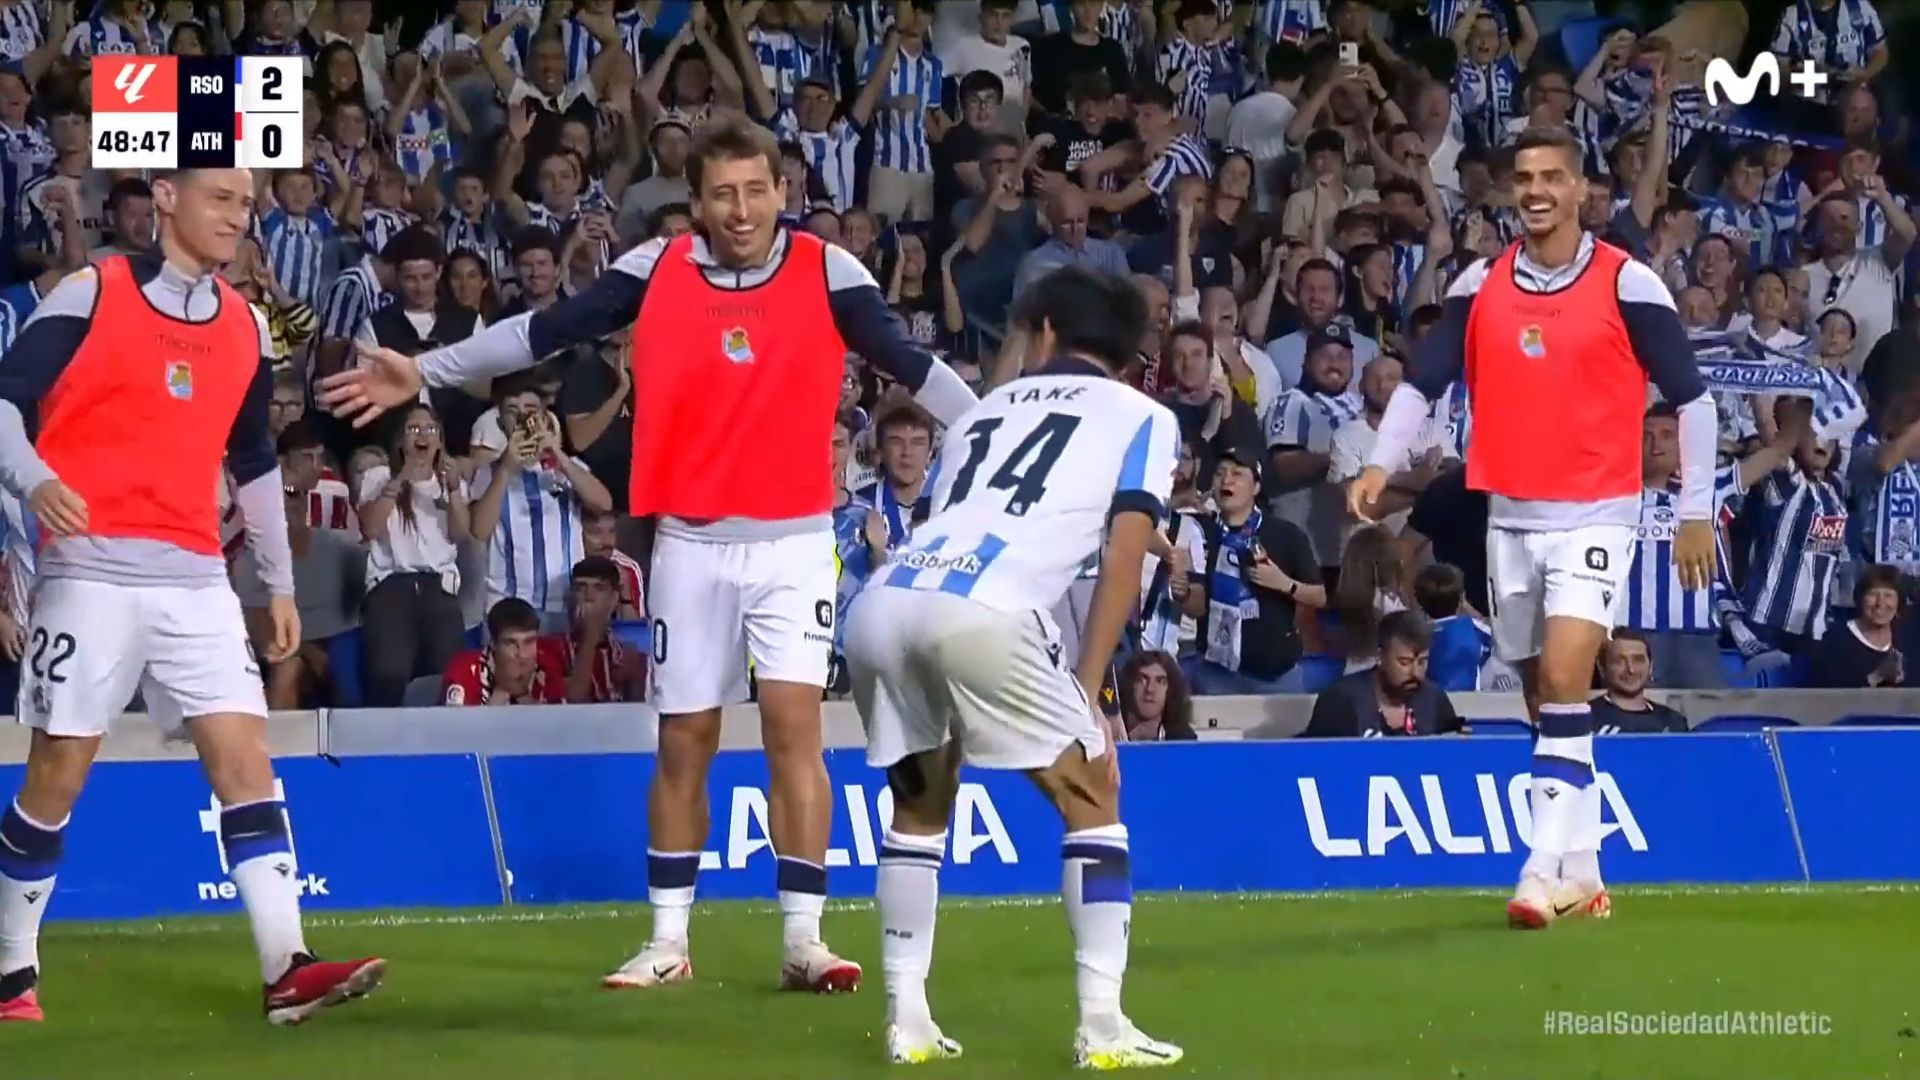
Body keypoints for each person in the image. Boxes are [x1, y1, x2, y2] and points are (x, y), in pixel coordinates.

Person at [320, 114, 977, 993]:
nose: (740, 210)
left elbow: (912, 364)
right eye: (722, 194)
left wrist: (995, 429)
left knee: (794, 731)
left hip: (792, 542)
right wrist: (427, 367)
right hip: (692, 544)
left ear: (783, 191)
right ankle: (668, 941)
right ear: (696, 202)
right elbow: (543, 331)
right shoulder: (658, 267)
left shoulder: (829, 270)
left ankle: (804, 941)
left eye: (756, 191)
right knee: (684, 738)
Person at [0, 169, 381, 1025]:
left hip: (197, 576)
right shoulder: (93, 289)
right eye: (220, 199)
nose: (237, 217)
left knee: (245, 759)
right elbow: (4, 400)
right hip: (90, 569)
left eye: (245, 203)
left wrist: (277, 584)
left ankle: (287, 969)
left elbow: (253, 461)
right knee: (58, 773)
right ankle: (11, 965)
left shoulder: (246, 324)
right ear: (167, 199)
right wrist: (32, 479)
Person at [1348, 127, 1714, 931]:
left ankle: (1536, 872)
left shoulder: (1628, 281)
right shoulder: (1481, 282)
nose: (1537, 190)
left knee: (1564, 675)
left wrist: (1694, 511)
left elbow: (1693, 399)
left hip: (1596, 513)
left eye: (1552, 176)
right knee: (1542, 697)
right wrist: (1378, 463)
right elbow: (1424, 380)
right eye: (1524, 177)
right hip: (1509, 516)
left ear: (1582, 189)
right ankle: (1585, 872)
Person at [843, 265, 1182, 1067]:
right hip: (983, 611)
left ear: (1046, 333)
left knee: (920, 805)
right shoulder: (1144, 415)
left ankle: (907, 1018)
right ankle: (1103, 1025)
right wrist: (1091, 687)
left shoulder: (983, 411)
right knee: (1092, 794)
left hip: (887, 601)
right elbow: (1124, 557)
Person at [1302, 612, 1463, 738]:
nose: (1415, 673)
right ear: (1381, 656)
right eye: (1404, 662)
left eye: (1422, 662)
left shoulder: (1434, 700)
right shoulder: (1340, 701)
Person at [441, 597, 565, 705]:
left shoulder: (548, 666)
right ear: (493, 644)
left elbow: (561, 721)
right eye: (511, 643)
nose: (521, 654)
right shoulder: (464, 669)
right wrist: (494, 706)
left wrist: (528, 704)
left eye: (529, 642)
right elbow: (453, 723)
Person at [1808, 563, 1908, 688]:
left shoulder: (1907, 640)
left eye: (1888, 595)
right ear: (1860, 599)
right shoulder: (1835, 641)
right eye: (1872, 594)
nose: (1880, 603)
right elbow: (1830, 695)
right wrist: (1877, 676)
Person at [1587, 631, 1688, 733]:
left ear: (1650, 666)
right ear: (1602, 667)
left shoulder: (1674, 722)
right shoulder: (1585, 717)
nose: (1631, 669)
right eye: (1619, 661)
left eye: (1638, 660)